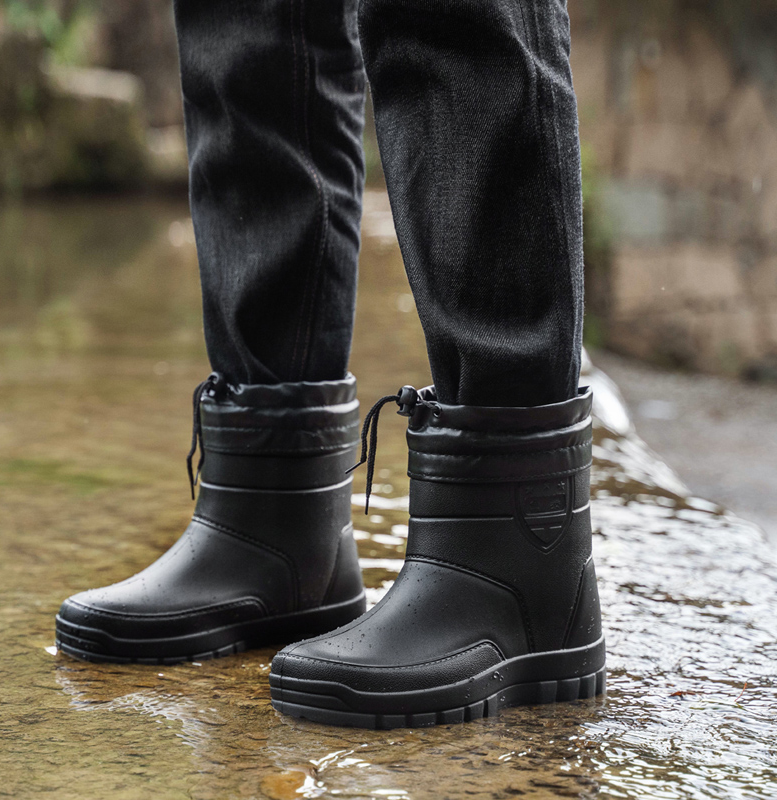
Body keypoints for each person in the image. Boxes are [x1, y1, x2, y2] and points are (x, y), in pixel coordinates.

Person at [55, 0, 604, 728]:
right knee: (248, 22)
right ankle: (272, 520)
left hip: (518, 540)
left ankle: (512, 559)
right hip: (261, 504)